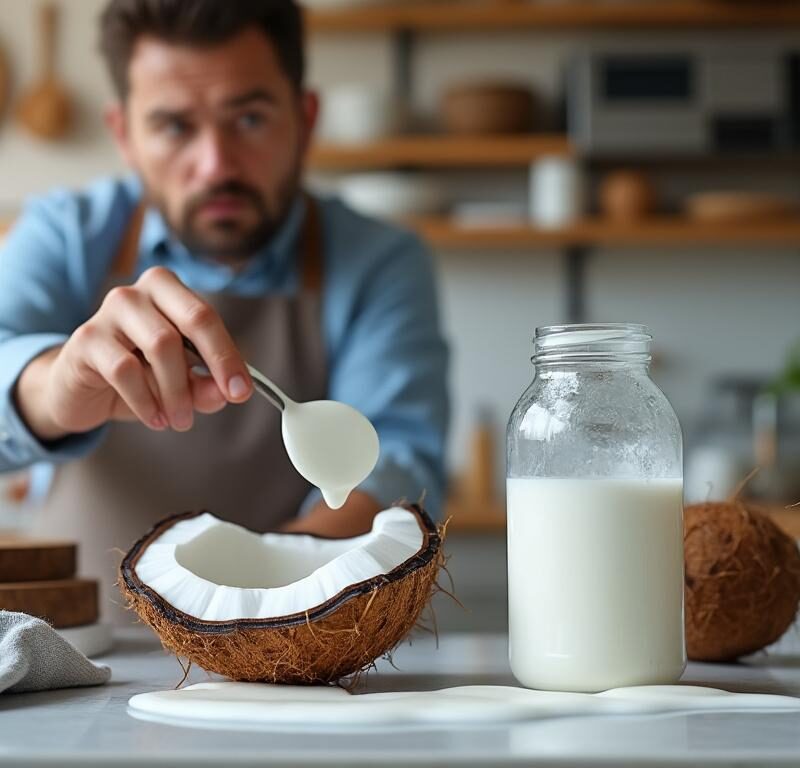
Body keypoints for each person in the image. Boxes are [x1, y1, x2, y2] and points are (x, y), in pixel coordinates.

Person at [0, 0, 448, 622]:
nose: (216, 164)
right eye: (175, 126)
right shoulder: (62, 235)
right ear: (124, 135)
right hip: (78, 652)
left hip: (295, 640)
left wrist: (258, 584)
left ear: (305, 118)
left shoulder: (380, 262)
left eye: (250, 118)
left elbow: (399, 462)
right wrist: (54, 389)